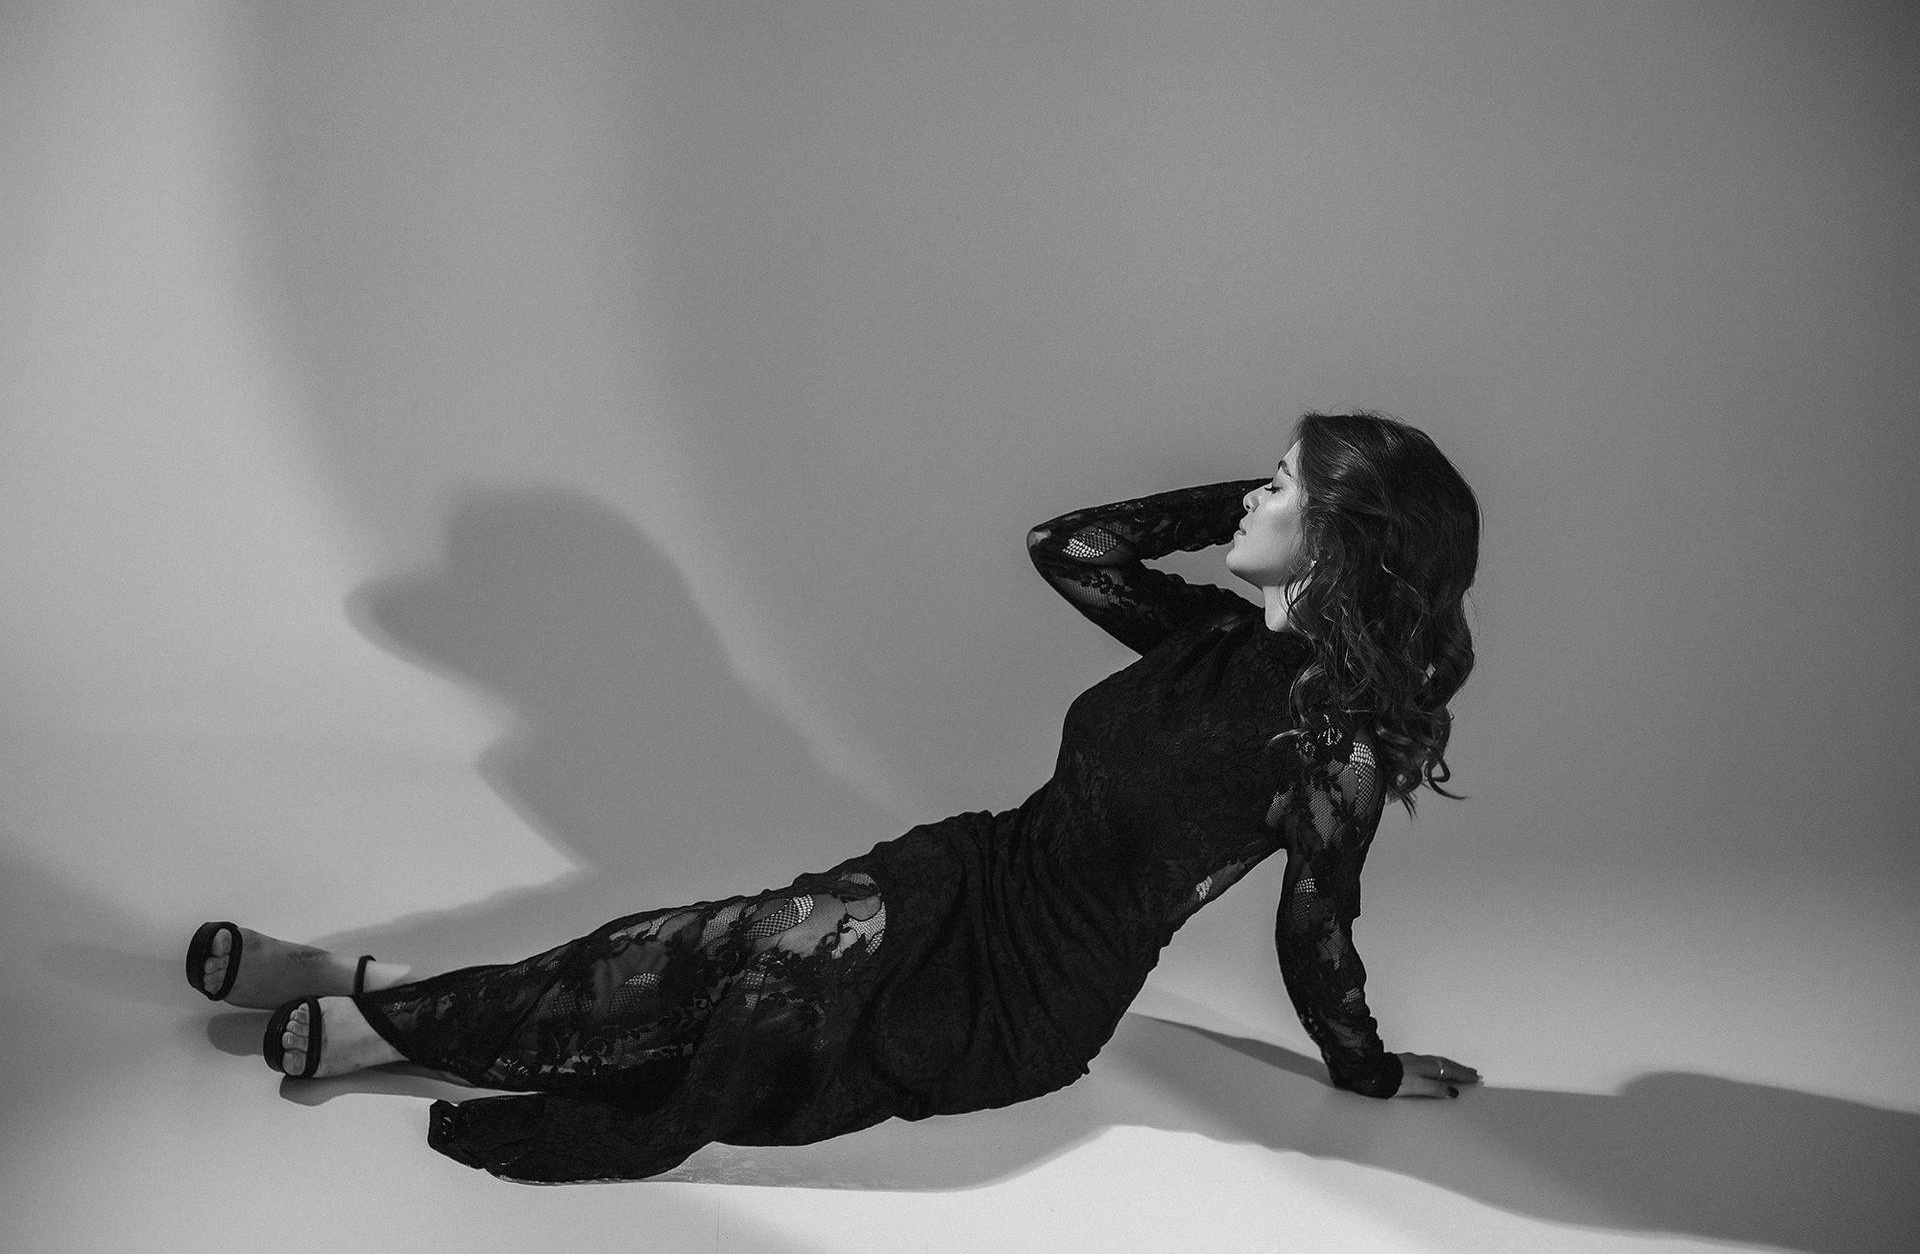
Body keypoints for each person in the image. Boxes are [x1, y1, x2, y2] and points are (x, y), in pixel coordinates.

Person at [185, 409, 1483, 1184]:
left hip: (1023, 998)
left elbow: (1316, 933)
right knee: (712, 948)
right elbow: (1070, 547)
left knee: (742, 982)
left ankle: (376, 1015)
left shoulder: (1329, 752)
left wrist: (1365, 1068)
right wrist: (1253, 513)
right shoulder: (1208, 639)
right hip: (970, 870)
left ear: (1340, 539)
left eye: (1281, 486)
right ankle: (379, 991)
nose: (1253, 493)